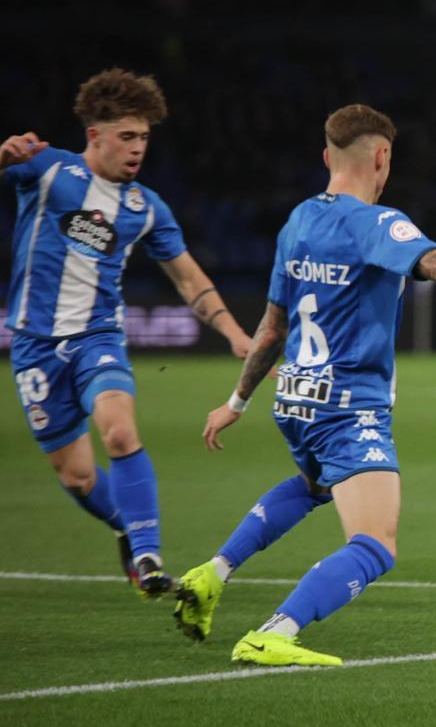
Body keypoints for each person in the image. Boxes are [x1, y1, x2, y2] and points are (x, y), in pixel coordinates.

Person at [173, 104, 436, 667]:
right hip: (348, 407)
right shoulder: (376, 224)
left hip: (295, 399)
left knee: (314, 485)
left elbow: (272, 326)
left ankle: (211, 573)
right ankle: (275, 631)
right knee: (376, 543)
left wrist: (236, 402)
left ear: (327, 157)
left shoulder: (297, 220)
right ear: (382, 157)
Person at [1, 69, 254, 598]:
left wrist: (235, 333)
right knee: (77, 477)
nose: (138, 148)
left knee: (118, 429)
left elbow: (188, 277)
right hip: (34, 345)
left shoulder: (146, 208)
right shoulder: (45, 169)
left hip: (98, 338)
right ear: (95, 135)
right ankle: (124, 524)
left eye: (144, 137)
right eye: (127, 136)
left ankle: (148, 555)